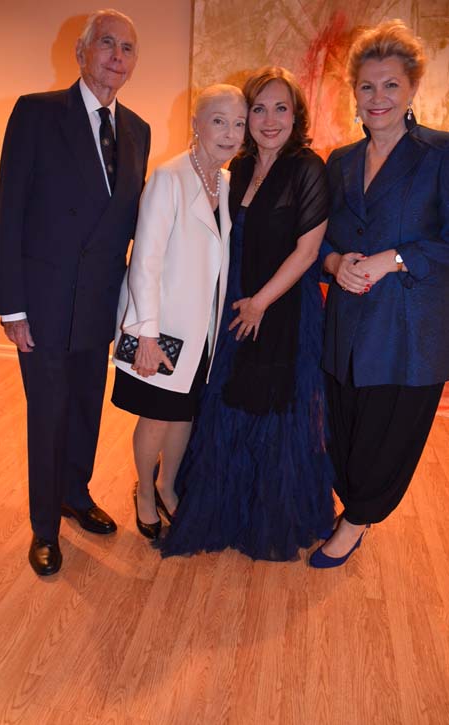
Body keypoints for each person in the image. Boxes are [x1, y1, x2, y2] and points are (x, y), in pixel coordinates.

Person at [0, 9, 150, 576]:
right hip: (42, 301)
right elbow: (9, 212)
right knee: (49, 412)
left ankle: (75, 496)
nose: (116, 55)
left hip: (100, 303)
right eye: (106, 43)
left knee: (86, 407)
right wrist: (12, 306)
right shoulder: (36, 113)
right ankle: (43, 527)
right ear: (81, 52)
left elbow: (132, 225)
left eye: (127, 48)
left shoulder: (139, 131)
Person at [159, 66, 334, 561]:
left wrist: (261, 301)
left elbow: (307, 251)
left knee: (274, 412)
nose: (269, 119)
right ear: (245, 116)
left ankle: (267, 517)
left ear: (296, 114)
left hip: (282, 309)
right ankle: (223, 510)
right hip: (235, 305)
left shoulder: (307, 167)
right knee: (229, 404)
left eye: (281, 108)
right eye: (259, 108)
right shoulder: (235, 168)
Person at [310, 20, 449, 568]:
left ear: (412, 88)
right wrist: (336, 261)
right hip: (346, 326)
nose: (378, 98)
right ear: (355, 94)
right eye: (367, 86)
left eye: (391, 85)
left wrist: (393, 260)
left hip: (411, 330)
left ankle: (357, 520)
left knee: (387, 439)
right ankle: (354, 506)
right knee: (342, 433)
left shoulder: (441, 153)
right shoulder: (340, 160)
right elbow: (322, 239)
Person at [112, 85, 247, 540]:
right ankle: (145, 494)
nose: (230, 133)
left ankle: (169, 486)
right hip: (163, 327)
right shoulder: (170, 177)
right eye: (219, 120)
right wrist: (145, 335)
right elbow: (145, 259)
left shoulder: (225, 183)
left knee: (184, 413)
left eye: (239, 123)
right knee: (155, 415)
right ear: (196, 123)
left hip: (203, 329)